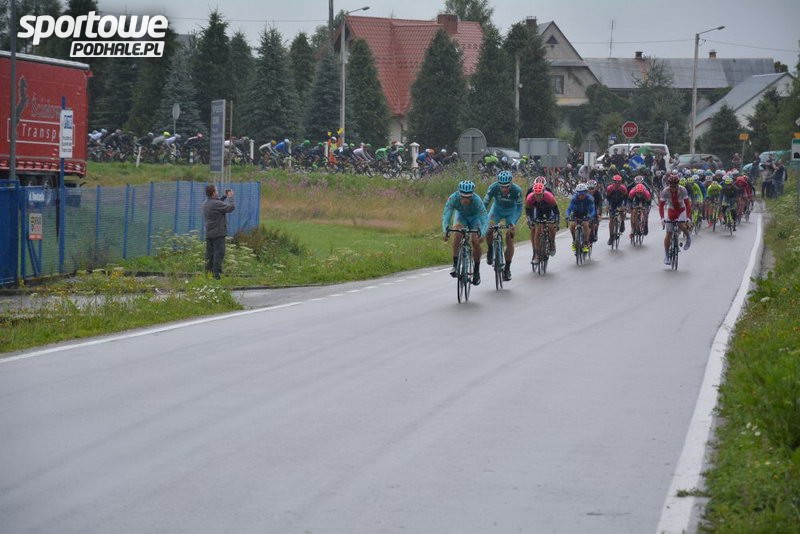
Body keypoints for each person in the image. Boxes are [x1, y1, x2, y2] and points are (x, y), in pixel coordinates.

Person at [443, 180, 489, 285]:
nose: (465, 199)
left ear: (472, 195)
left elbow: (485, 219)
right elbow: (446, 215)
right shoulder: (453, 198)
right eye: (463, 197)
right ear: (459, 194)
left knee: (475, 241)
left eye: (468, 197)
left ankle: (476, 271)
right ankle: (455, 265)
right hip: (461, 217)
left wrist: (482, 233)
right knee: (457, 234)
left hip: (475, 218)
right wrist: (445, 230)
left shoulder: (477, 200)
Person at [483, 170, 524, 281]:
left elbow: (519, 208)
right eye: (502, 186)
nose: (504, 189)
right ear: (498, 184)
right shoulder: (493, 187)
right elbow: (484, 203)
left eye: (507, 186)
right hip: (496, 209)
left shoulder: (517, 190)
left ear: (511, 183)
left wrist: (513, 222)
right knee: (489, 228)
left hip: (511, 211)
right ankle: (490, 249)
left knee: (509, 237)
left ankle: (507, 268)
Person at [203, 184, 236, 279]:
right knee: (219, 253)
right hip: (218, 233)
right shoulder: (216, 204)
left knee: (210, 254)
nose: (217, 192)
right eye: (216, 191)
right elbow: (231, 208)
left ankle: (208, 273)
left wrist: (224, 196)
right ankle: (216, 275)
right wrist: (230, 197)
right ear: (213, 193)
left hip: (209, 233)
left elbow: (217, 204)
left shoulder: (206, 203)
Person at [658, 175, 692, 265]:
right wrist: (662, 218)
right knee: (668, 233)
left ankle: (688, 237)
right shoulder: (665, 191)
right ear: (668, 184)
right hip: (671, 210)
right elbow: (661, 206)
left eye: (675, 186)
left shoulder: (683, 189)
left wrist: (688, 217)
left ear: (678, 184)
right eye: (671, 186)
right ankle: (666, 255)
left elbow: (687, 204)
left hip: (681, 210)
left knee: (680, 224)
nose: (673, 188)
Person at [525, 182, 560, 263]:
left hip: (548, 210)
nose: (538, 197)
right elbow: (528, 211)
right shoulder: (530, 198)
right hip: (537, 210)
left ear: (543, 192)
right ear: (533, 193)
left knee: (551, 226)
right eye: (536, 195)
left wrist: (557, 222)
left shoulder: (549, 197)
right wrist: (530, 221)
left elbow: (556, 211)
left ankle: (552, 243)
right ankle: (537, 254)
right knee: (537, 230)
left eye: (540, 195)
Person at [566, 183, 596, 253]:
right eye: (579, 194)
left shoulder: (589, 198)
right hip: (576, 213)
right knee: (572, 225)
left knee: (585, 225)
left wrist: (590, 216)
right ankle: (574, 241)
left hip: (586, 213)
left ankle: (585, 242)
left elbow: (593, 210)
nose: (581, 196)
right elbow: (569, 209)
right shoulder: (574, 198)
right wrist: (567, 216)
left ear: (586, 192)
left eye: (582, 194)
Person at [605, 174, 628, 245]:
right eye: (615, 182)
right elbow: (607, 198)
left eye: (619, 182)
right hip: (612, 203)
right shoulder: (609, 188)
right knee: (611, 220)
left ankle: (622, 222)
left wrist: (625, 206)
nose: (617, 183)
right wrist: (608, 206)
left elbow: (626, 198)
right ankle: (611, 236)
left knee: (621, 212)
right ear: (613, 182)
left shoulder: (623, 188)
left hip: (620, 202)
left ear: (621, 182)